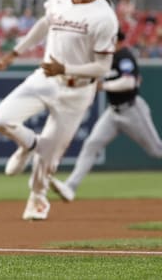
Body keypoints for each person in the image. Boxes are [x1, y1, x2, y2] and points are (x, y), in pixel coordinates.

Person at [0, 0, 125, 221]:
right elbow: (44, 23)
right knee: (0, 119)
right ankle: (28, 143)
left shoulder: (104, 17)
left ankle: (37, 200)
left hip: (77, 91)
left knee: (48, 158)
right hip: (46, 77)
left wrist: (66, 67)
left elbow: (103, 67)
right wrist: (16, 52)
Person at [50, 29, 162, 202]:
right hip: (113, 112)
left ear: (117, 41)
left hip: (132, 110)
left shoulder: (124, 56)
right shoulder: (105, 59)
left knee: (157, 150)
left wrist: (103, 86)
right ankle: (70, 187)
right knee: (91, 145)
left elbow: (129, 82)